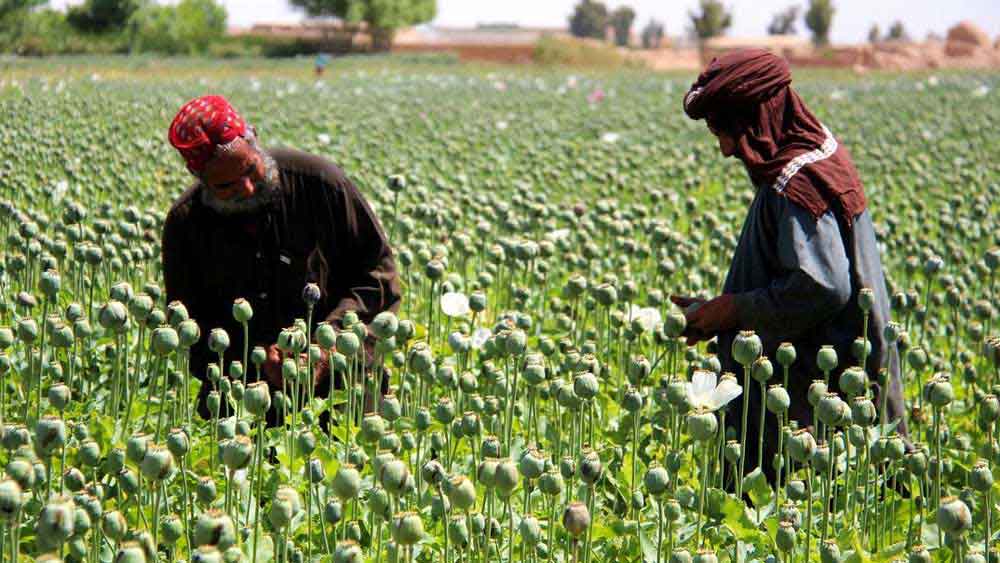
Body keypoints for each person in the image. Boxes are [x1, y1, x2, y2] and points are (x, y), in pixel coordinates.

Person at [671, 49, 907, 483]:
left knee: (814, 511)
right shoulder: (819, 154)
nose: (725, 150)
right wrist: (722, 309)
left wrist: (735, 311)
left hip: (814, 405)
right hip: (829, 387)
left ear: (760, 119)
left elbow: (822, 287)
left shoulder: (796, 184)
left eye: (729, 133)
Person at [162, 95, 401, 423]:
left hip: (345, 387)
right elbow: (189, 328)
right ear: (200, 179)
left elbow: (377, 274)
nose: (246, 187)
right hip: (244, 402)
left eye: (250, 169)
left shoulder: (321, 184)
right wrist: (257, 359)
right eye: (226, 185)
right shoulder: (186, 225)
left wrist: (326, 346)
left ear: (253, 138)